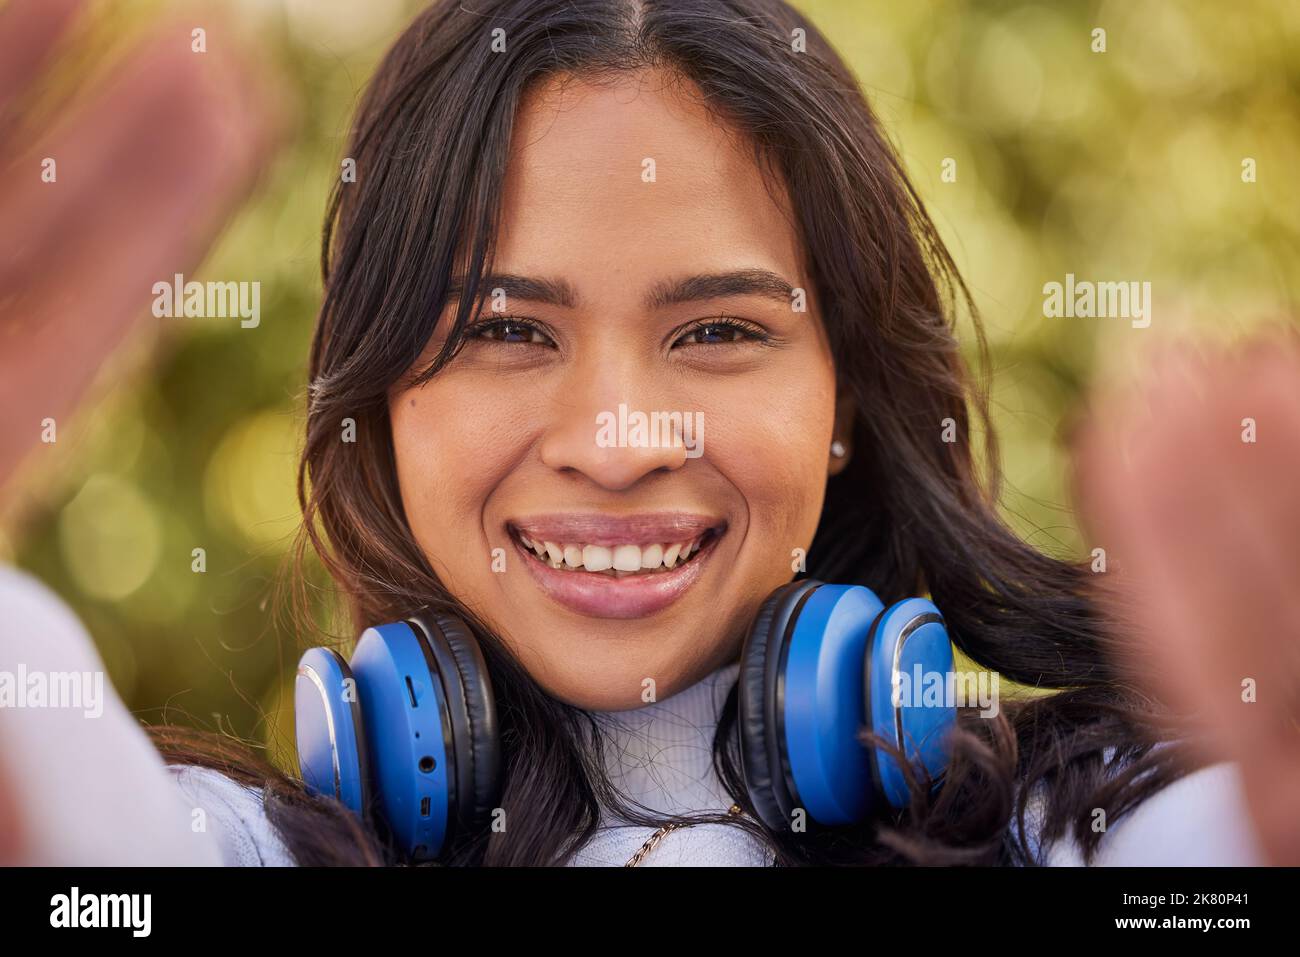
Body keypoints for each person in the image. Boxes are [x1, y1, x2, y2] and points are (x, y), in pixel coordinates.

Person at [1, 0, 1296, 867]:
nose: (616, 443)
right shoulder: (228, 851)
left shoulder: (1097, 830)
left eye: (719, 331)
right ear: (382, 401)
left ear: (845, 396)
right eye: (507, 332)